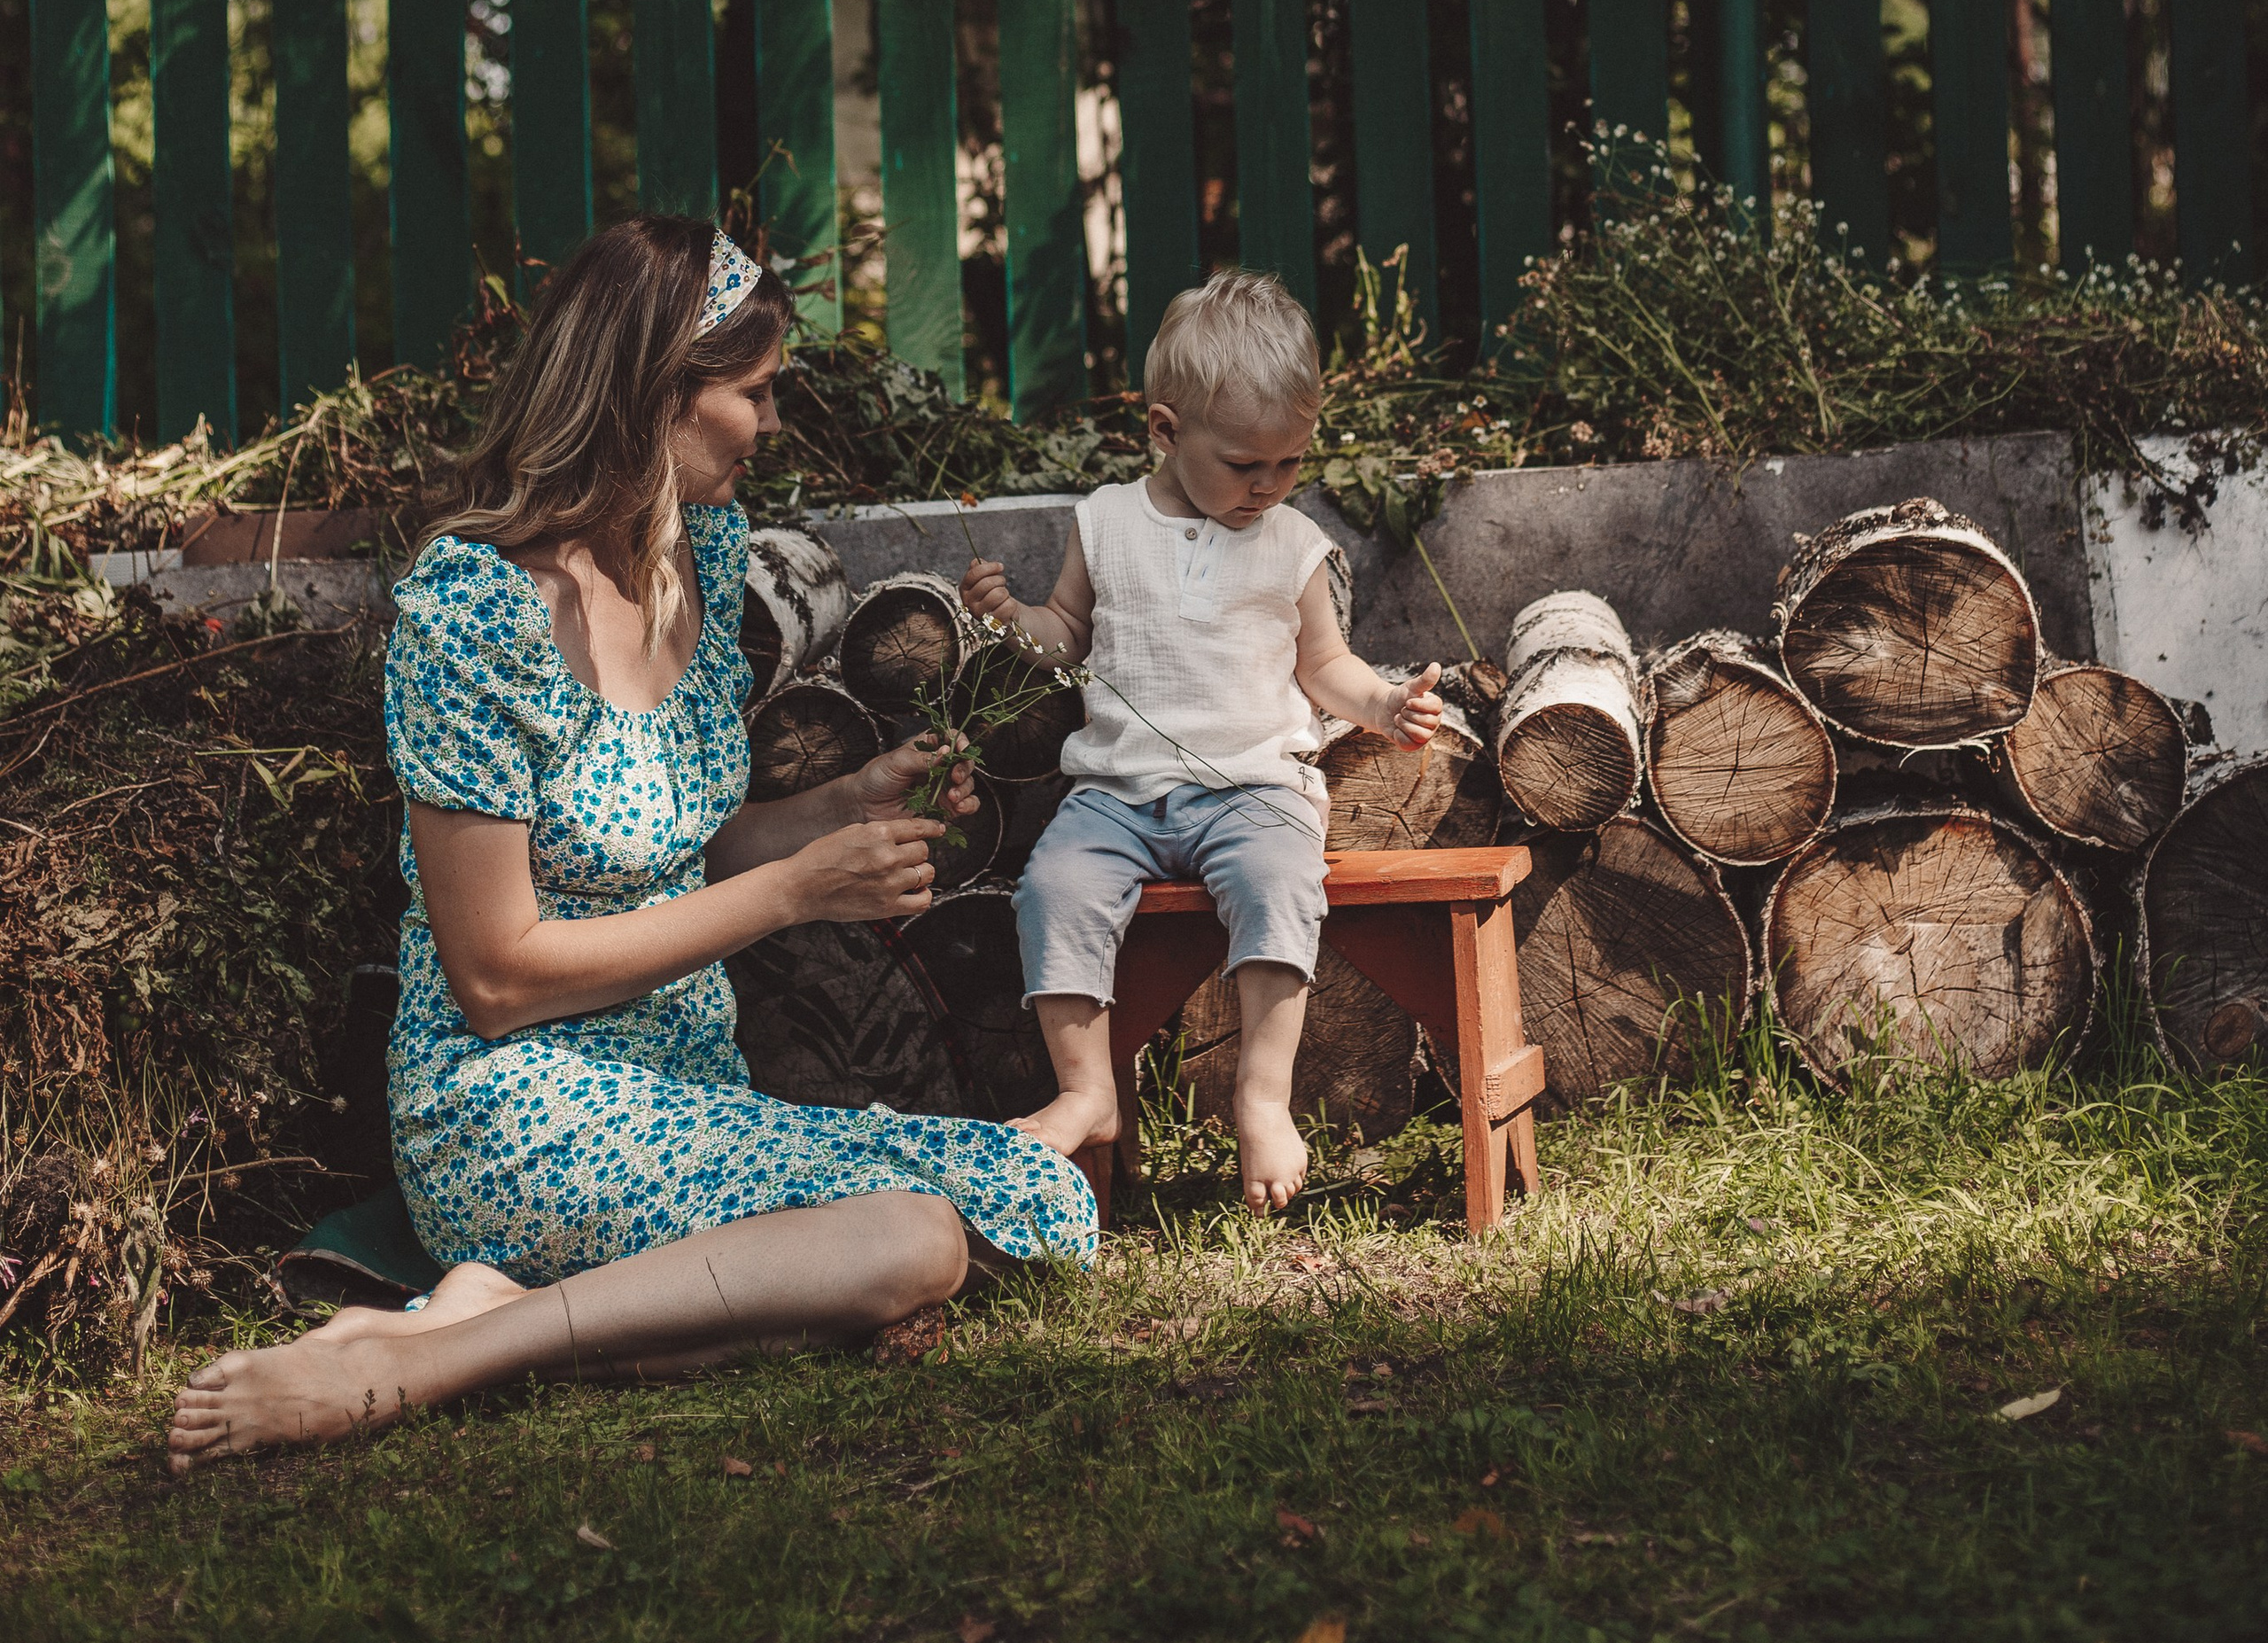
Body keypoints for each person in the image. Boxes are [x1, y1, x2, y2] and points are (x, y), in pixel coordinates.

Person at [168, 216, 1094, 1473]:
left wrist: (844, 812)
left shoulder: (692, 558)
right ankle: (419, 1363)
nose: (769, 424)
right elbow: (496, 976)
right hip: (514, 1107)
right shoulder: (474, 610)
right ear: (659, 395)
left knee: (1039, 1192)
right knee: (918, 1244)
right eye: (752, 393)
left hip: (684, 1086)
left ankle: (502, 1312)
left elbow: (679, 851)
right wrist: (792, 892)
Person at [959, 269, 1441, 1218]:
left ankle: (1262, 1098)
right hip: (1115, 795)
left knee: (1277, 886)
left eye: (1288, 463)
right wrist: (1010, 616)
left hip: (1254, 789)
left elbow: (1324, 666)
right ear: (1165, 429)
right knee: (1052, 889)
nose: (1267, 486)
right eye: (1243, 464)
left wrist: (1382, 703)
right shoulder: (1104, 523)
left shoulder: (1290, 544)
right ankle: (1088, 1091)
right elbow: (1066, 634)